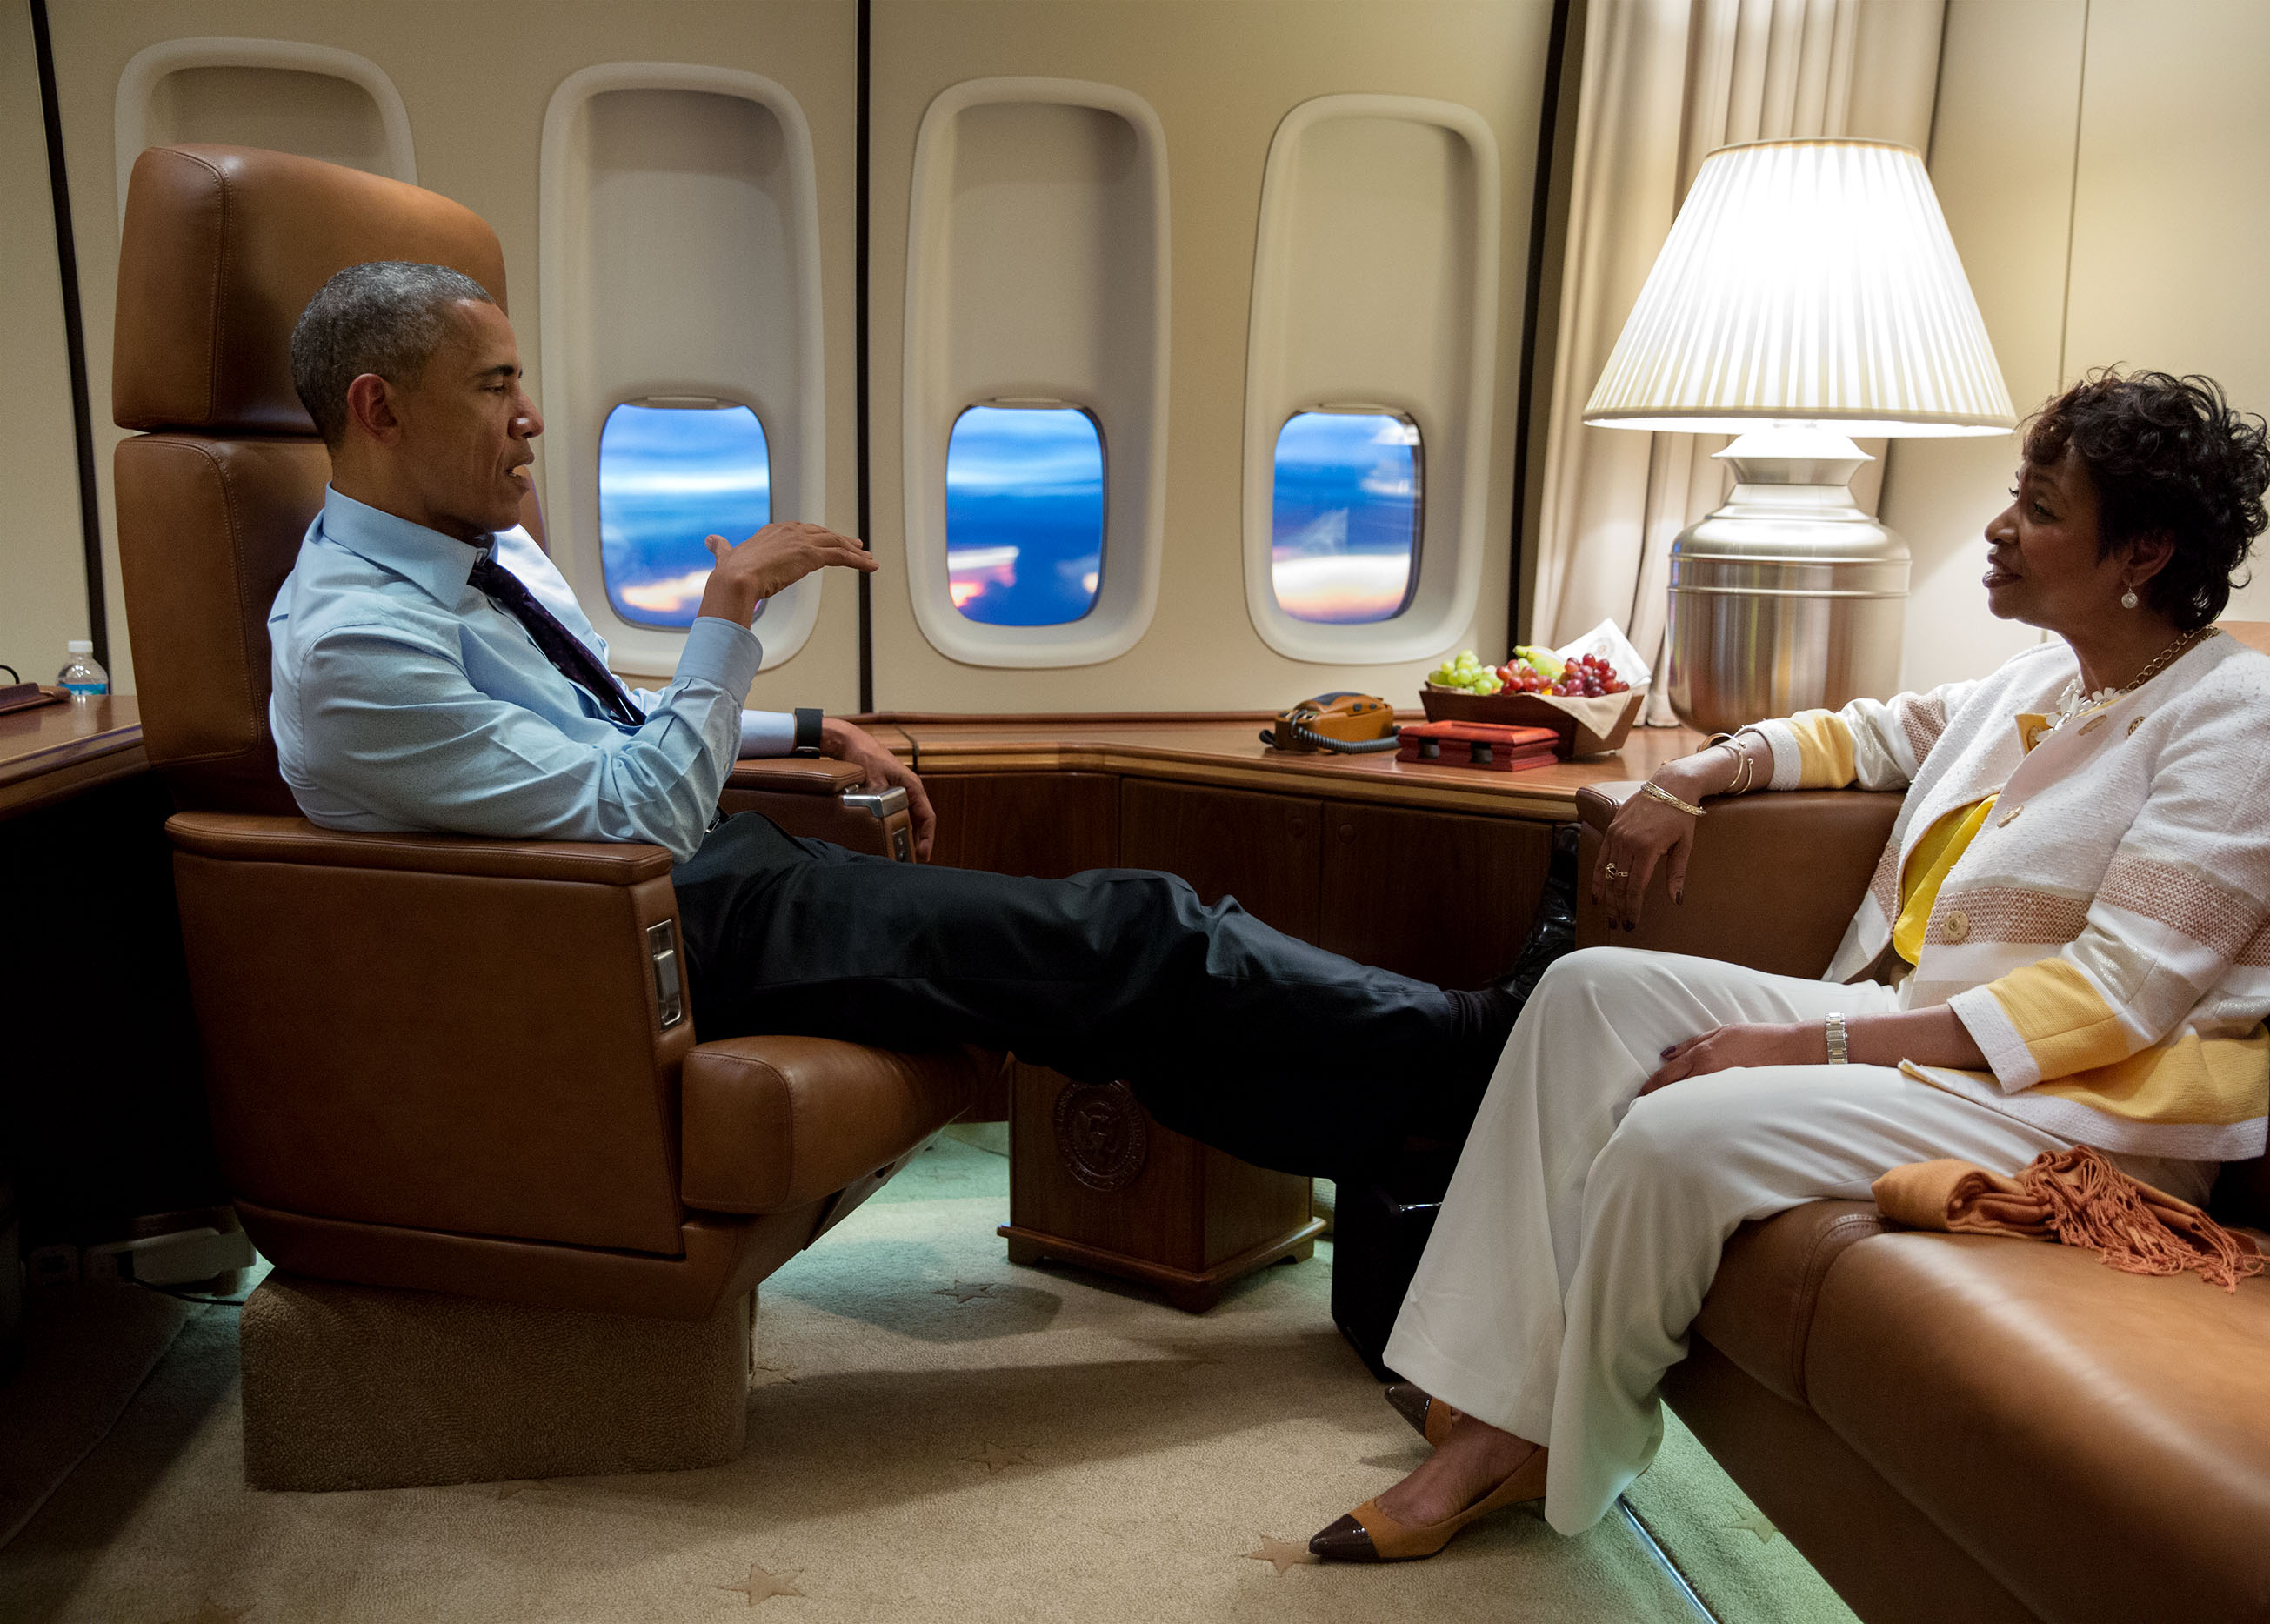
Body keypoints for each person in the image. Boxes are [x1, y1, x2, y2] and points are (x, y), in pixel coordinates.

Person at [1305, 369, 2270, 1561]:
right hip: (1927, 1037)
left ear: (2143, 550)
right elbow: (1872, 732)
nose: (2002, 527)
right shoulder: (2051, 677)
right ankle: (1491, 1395)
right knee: (1585, 993)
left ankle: (1524, 1445)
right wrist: (1695, 773)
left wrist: (1807, 1043)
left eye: (2042, 509)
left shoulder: (2245, 722)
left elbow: (2116, 996)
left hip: (2081, 1114)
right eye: (2016, 495)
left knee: (1679, 1132)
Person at [267, 260, 1555, 1177]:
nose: (533, 417)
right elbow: (640, 816)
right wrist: (731, 610)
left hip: (714, 883)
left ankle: (1405, 1149)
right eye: (496, 386)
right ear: (379, 409)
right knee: (1140, 923)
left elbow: (596, 729)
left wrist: (806, 726)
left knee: (1108, 1009)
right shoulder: (353, 645)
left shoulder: (472, 545)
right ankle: (1471, 1040)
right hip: (642, 940)